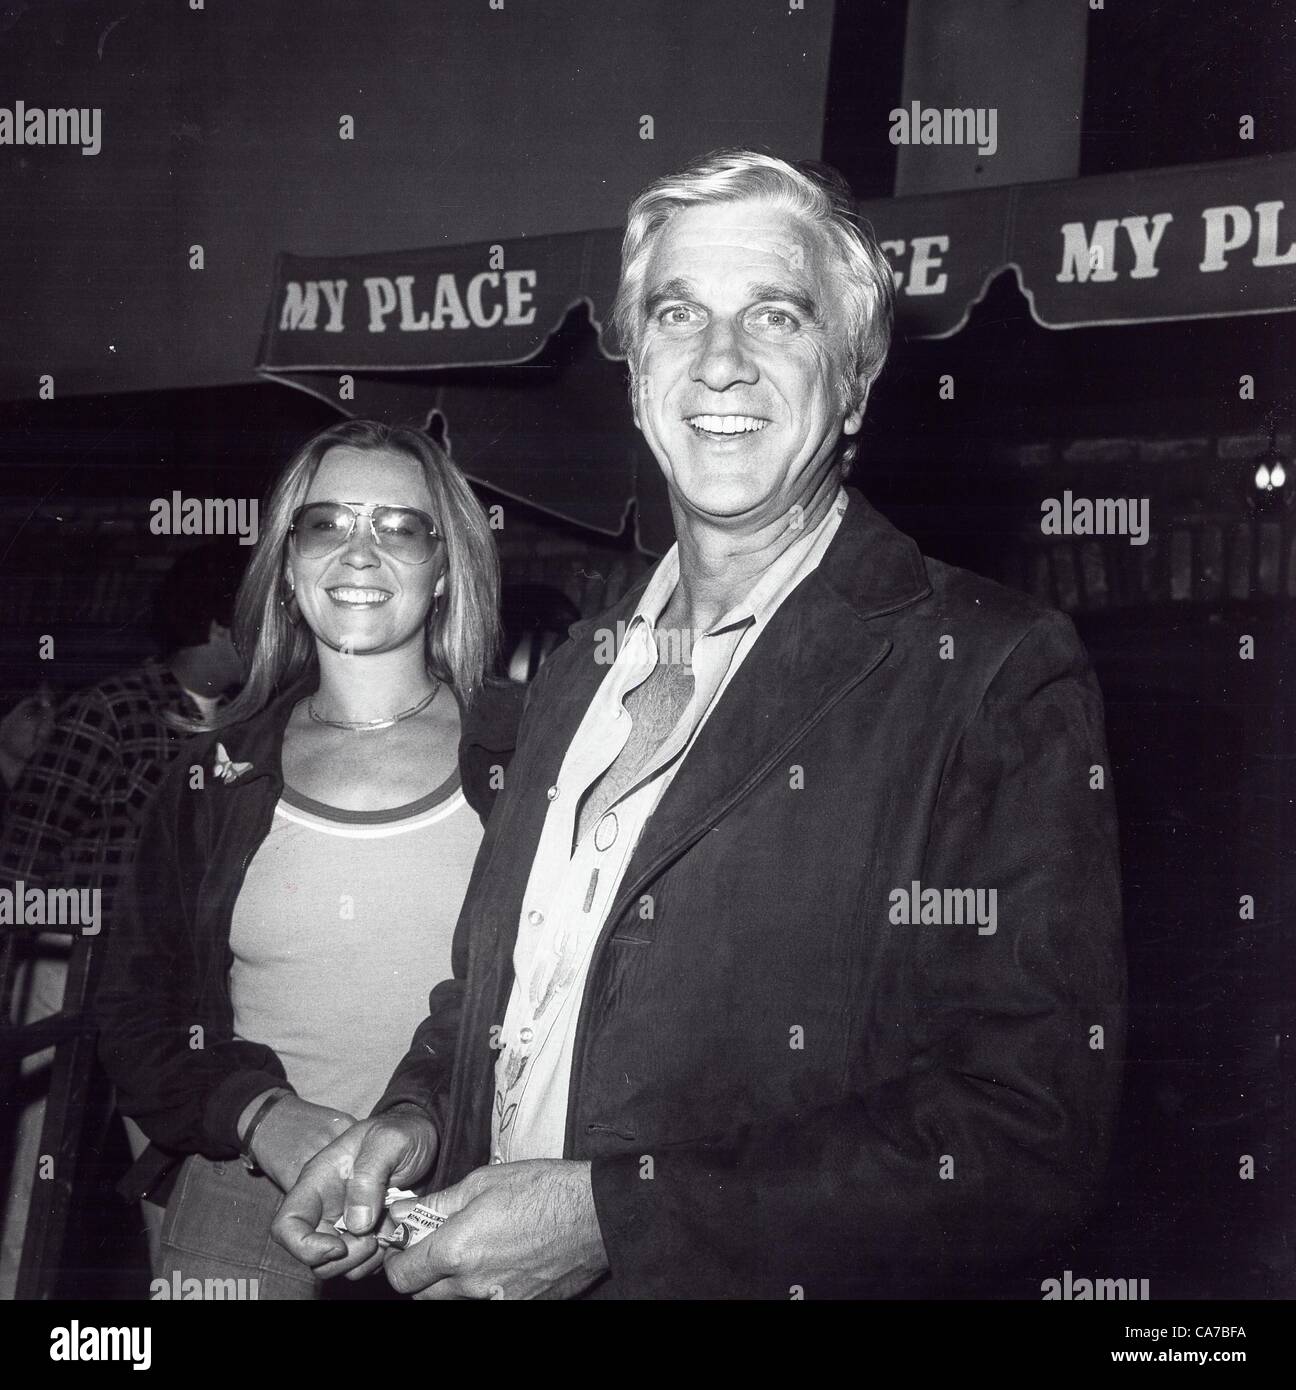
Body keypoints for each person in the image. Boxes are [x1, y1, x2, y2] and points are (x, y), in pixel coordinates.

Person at [275, 151, 1125, 1300]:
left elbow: (1027, 1132)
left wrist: (610, 1217)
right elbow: (511, 983)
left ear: (856, 380)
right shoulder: (578, 668)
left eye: (776, 314)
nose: (721, 361)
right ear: (637, 379)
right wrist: (415, 1121)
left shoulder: (989, 669)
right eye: (679, 314)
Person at [95, 420, 523, 1299]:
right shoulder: (214, 775)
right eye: (328, 524)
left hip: (472, 1200)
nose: (360, 551)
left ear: (446, 570)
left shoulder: (530, 755)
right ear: (290, 568)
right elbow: (133, 1010)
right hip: (253, 1203)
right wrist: (259, 1116)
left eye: (400, 527)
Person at [0, 543, 246, 1296]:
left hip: (175, 993)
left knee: (176, 1176)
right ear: (213, 629)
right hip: (66, 969)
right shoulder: (110, 712)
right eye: (252, 627)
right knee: (41, 1171)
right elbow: (24, 851)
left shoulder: (253, 725)